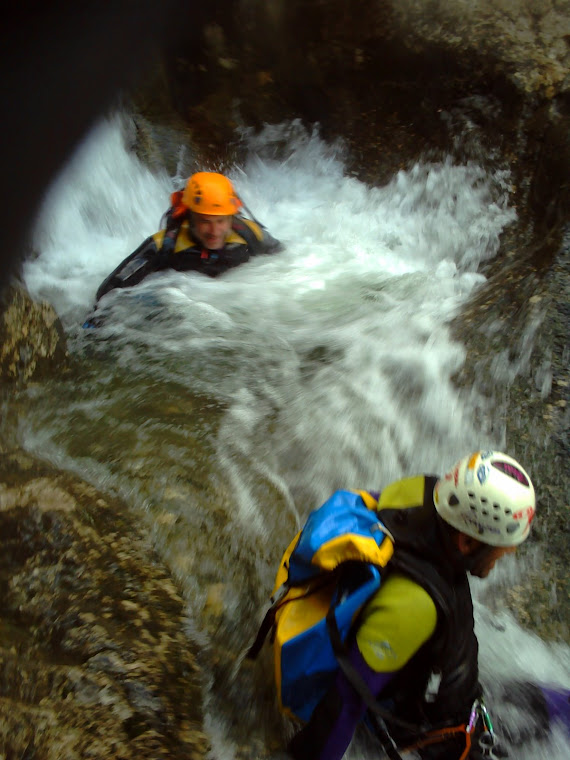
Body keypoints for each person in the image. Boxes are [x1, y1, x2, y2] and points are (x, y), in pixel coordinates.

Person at [282, 450, 541, 760]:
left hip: (415, 671)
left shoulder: (423, 494)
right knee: (530, 722)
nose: (505, 556)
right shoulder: (413, 607)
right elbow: (347, 701)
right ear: (467, 542)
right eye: (501, 549)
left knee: (534, 705)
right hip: (408, 719)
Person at [91, 170, 282, 309]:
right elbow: (111, 290)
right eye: (205, 222)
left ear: (231, 217)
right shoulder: (164, 244)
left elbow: (284, 263)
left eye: (221, 221)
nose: (214, 231)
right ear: (190, 217)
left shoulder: (249, 234)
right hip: (178, 311)